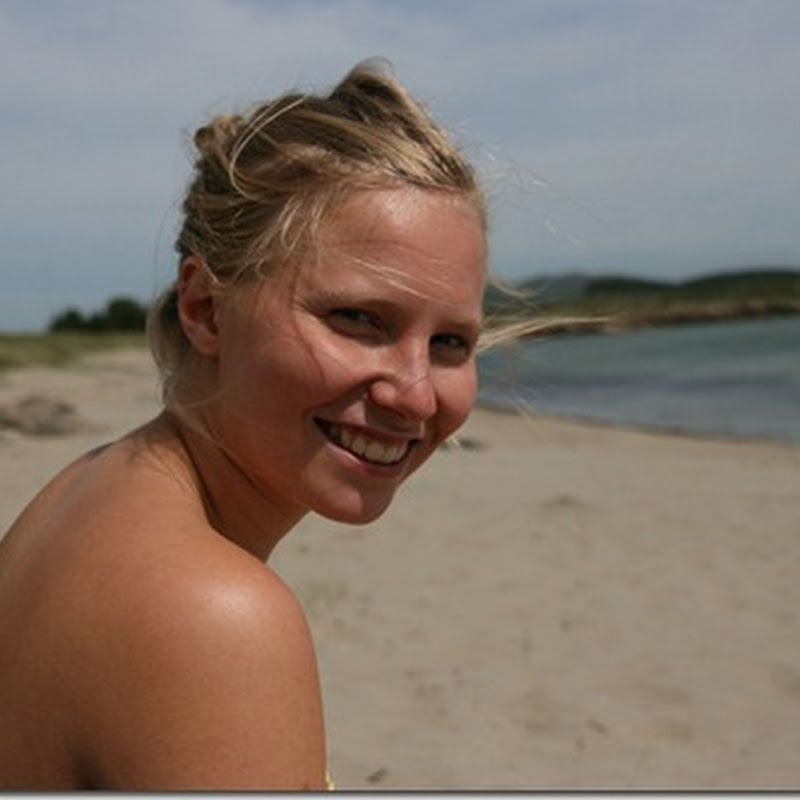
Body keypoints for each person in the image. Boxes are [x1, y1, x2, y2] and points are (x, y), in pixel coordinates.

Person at [0, 60, 487, 790]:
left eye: (450, 341)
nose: (416, 396)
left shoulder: (85, 489)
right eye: (358, 318)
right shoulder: (214, 616)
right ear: (204, 309)